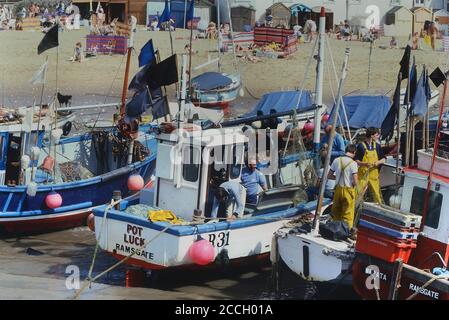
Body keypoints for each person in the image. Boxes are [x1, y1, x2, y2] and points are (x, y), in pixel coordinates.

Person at [328, 144, 359, 229]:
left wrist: (337, 176)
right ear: (354, 152)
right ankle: (346, 231)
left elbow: (329, 176)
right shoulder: (353, 164)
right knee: (348, 214)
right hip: (348, 191)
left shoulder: (336, 160)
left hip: (338, 189)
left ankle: (334, 230)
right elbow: (355, 181)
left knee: (336, 213)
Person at [355, 127, 385, 204]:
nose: (378, 137)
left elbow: (384, 159)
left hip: (374, 174)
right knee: (357, 192)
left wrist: (378, 162)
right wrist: (364, 164)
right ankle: (354, 206)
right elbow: (356, 160)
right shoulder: (361, 146)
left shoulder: (377, 146)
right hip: (363, 174)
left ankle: (379, 208)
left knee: (377, 194)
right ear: (372, 135)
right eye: (377, 135)